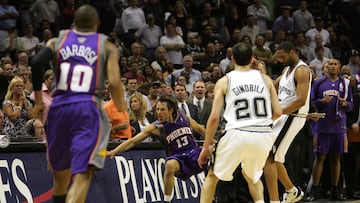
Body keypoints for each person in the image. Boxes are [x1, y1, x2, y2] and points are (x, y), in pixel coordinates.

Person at [30, 5, 126, 203]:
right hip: (87, 107)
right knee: (84, 171)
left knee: (60, 175)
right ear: (97, 24)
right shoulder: (106, 45)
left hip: (58, 108)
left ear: (74, 22)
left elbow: (36, 63)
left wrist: (39, 100)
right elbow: (115, 82)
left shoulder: (57, 41)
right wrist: (121, 105)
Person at [198, 42, 282, 203]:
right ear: (252, 59)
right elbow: (278, 112)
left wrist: (205, 147)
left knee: (212, 176)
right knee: (253, 177)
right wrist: (261, 122)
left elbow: (214, 117)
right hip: (263, 134)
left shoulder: (224, 81)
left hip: (237, 133)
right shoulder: (266, 79)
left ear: (232, 58)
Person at [107, 94, 207, 203]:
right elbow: (132, 141)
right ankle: (167, 200)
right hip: (178, 157)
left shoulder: (183, 117)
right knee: (169, 165)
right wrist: (114, 151)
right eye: (157, 109)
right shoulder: (157, 127)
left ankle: (217, 191)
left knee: (213, 155)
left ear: (171, 110)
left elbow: (198, 128)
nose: (159, 112)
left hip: (193, 153)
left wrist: (212, 141)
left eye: (162, 109)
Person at [263, 41, 312, 203]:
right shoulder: (285, 71)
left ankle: (278, 198)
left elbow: (300, 101)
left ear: (292, 52)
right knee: (272, 157)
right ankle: (291, 191)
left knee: (269, 156)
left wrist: (278, 112)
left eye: (283, 56)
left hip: (293, 117)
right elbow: (271, 86)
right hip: (283, 116)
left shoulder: (302, 70)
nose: (281, 60)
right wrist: (259, 71)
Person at [305, 59, 353, 201]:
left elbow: (351, 105)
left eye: (335, 64)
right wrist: (321, 101)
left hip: (339, 126)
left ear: (339, 67)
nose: (332, 66)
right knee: (320, 157)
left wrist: (345, 104)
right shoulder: (319, 82)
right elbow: (312, 102)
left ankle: (335, 190)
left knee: (336, 157)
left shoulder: (345, 84)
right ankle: (314, 189)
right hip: (323, 126)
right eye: (330, 64)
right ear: (326, 68)